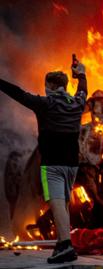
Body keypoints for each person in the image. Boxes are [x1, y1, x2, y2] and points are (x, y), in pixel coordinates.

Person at [0, 61, 87, 263]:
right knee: (63, 203)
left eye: (46, 85)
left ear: (50, 86)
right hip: (72, 164)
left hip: (52, 164)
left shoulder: (44, 103)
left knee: (56, 204)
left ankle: (66, 246)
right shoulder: (77, 102)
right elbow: (83, 89)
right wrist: (80, 74)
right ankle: (62, 245)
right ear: (65, 86)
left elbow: (18, 93)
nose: (45, 89)